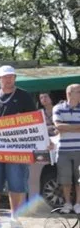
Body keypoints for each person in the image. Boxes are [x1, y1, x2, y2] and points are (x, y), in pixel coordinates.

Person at [0, 65, 36, 228]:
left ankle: (14, 218)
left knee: (16, 184)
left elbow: (34, 121)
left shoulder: (24, 96)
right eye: (5, 77)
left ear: (15, 78)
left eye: (11, 76)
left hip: (16, 148)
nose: (8, 79)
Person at [53, 84, 80, 214]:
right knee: (65, 179)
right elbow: (58, 125)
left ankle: (78, 204)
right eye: (78, 92)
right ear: (69, 94)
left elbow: (62, 126)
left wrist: (65, 127)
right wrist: (77, 127)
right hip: (63, 149)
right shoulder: (58, 108)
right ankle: (67, 203)